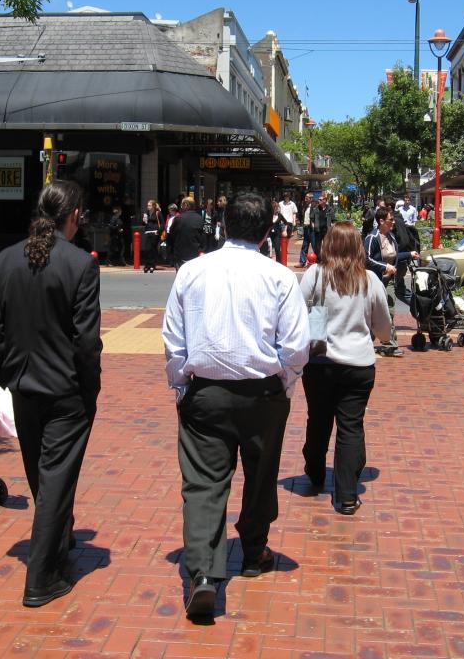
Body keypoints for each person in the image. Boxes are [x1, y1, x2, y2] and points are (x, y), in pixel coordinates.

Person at [162, 192, 310, 620]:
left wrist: (181, 386)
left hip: (205, 392)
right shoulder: (280, 277)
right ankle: (252, 550)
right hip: (262, 392)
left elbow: (174, 338)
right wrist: (284, 384)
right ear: (268, 231)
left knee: (204, 485)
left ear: (224, 226)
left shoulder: (191, 271)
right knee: (261, 476)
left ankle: (205, 574)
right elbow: (296, 346)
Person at [0, 180, 102, 608]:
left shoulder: (4, 261)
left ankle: (57, 541)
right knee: (55, 477)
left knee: (41, 472)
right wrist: (90, 387)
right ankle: (42, 578)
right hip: (66, 389)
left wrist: (4, 376)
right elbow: (85, 340)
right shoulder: (79, 265)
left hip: (23, 385)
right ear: (73, 216)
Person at [300, 222, 390, 514]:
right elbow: (385, 331)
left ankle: (314, 472)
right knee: (351, 426)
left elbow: (297, 314)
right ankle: (348, 495)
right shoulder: (370, 280)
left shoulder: (315, 275)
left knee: (318, 419)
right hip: (359, 364)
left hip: (320, 362)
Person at [364, 207, 420, 357]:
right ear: (381, 221)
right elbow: (367, 259)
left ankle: (390, 344)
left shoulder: (391, 237)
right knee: (370, 313)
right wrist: (385, 266)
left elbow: (394, 256)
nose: (393, 222)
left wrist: (409, 254)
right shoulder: (372, 238)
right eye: (391, 219)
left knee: (389, 311)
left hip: (387, 281)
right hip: (373, 281)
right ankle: (365, 342)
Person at [168, 197, 206, 269]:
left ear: (186, 205)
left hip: (181, 255)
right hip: (196, 254)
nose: (180, 207)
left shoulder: (179, 219)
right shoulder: (200, 219)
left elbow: (171, 235)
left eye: (182, 204)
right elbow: (203, 238)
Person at [141, 200, 163, 273]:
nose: (148, 207)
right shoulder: (146, 213)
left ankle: (152, 265)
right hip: (148, 232)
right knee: (147, 249)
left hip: (154, 233)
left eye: (149, 205)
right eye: (147, 205)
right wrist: (144, 221)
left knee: (152, 249)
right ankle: (147, 264)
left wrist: (158, 231)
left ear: (153, 206)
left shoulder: (157, 213)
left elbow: (162, 224)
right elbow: (145, 224)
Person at [311, 194, 334, 262]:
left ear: (325, 200)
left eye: (320, 200)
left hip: (326, 230)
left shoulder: (330, 209)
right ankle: (318, 260)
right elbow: (312, 219)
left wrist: (331, 229)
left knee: (326, 245)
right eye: (319, 199)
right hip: (318, 230)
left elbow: (333, 220)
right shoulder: (316, 208)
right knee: (317, 246)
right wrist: (313, 227)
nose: (319, 201)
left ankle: (326, 259)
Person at [298, 192, 315, 266]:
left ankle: (319, 262)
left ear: (311, 198)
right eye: (305, 197)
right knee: (304, 245)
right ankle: (302, 262)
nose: (305, 199)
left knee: (315, 246)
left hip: (312, 229)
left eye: (307, 198)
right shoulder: (305, 206)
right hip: (306, 228)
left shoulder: (315, 206)